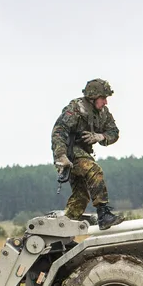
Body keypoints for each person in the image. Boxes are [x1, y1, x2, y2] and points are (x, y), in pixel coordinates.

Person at [51, 78, 125, 229]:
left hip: (83, 153)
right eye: (103, 98)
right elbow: (59, 131)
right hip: (70, 154)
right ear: (93, 97)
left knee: (81, 197)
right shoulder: (76, 109)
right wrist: (61, 156)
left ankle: (63, 229)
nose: (106, 102)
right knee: (94, 169)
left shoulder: (103, 113)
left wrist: (101, 137)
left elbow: (114, 132)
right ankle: (103, 214)